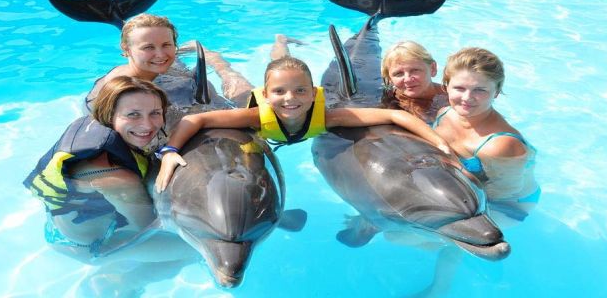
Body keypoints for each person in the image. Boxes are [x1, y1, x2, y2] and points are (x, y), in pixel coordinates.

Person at [155, 38, 452, 193]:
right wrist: (169, 151)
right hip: (247, 101)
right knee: (232, 79)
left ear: (313, 93)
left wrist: (441, 145)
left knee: (282, 64)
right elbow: (197, 120)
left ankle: (281, 42)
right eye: (280, 92)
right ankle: (213, 55)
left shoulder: (330, 115)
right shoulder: (255, 117)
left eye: (300, 92)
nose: (290, 99)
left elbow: (398, 118)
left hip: (283, 86)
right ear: (268, 94)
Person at [24, 76, 169, 257]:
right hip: (96, 247)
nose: (147, 125)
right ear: (109, 115)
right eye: (133, 114)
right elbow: (149, 228)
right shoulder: (117, 178)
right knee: (196, 251)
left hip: (58, 230)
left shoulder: (93, 127)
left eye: (155, 113)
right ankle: (121, 279)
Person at [433, 47, 539, 226]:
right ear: (446, 87)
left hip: (508, 207)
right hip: (469, 190)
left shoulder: (501, 145)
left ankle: (452, 250)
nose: (467, 97)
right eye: (459, 88)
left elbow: (502, 194)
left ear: (496, 92)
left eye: (480, 90)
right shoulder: (444, 114)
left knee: (403, 237)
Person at [84, 13, 178, 111]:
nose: (161, 55)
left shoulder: (140, 68)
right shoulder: (129, 91)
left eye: (166, 45)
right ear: (127, 50)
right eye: (148, 47)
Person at [380, 40, 449, 124]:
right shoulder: (390, 100)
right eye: (398, 73)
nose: (407, 79)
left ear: (433, 69)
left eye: (415, 70)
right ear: (389, 78)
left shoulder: (453, 95)